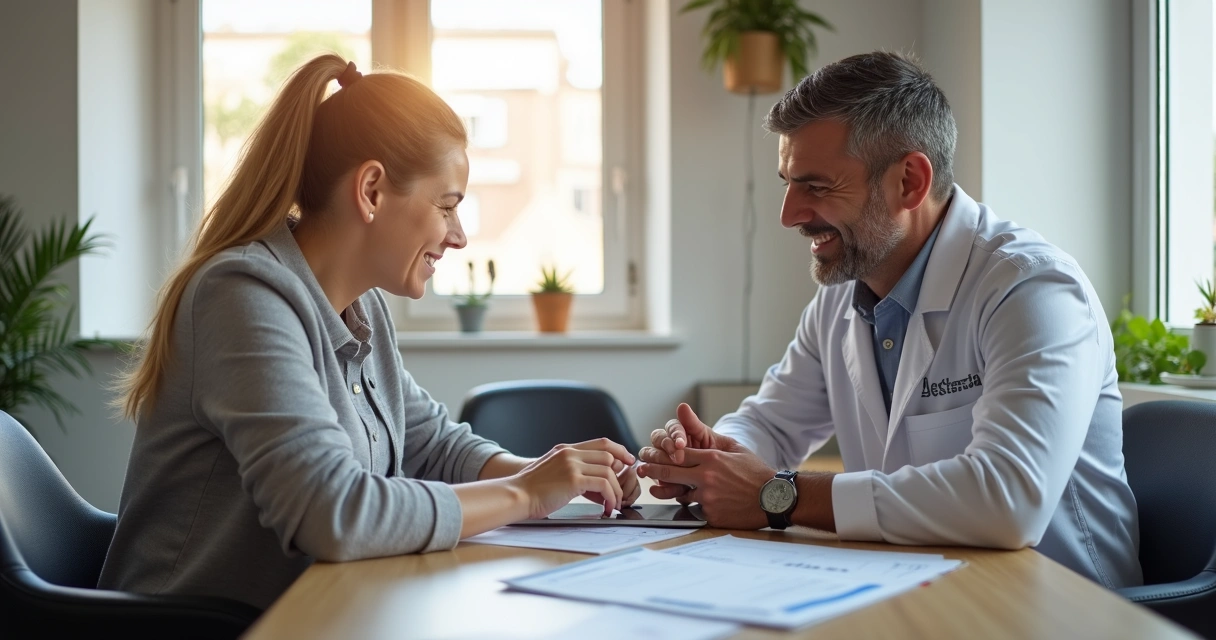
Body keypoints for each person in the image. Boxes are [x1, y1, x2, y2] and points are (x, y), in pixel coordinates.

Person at [100, 55, 639, 610]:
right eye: (447, 206)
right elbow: (331, 513)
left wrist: (550, 474)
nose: (459, 237)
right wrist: (524, 494)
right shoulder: (242, 297)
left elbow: (428, 443)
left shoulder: (361, 306)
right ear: (372, 190)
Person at [637, 51, 1141, 589]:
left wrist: (774, 495)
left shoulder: (1031, 290)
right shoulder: (843, 296)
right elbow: (771, 424)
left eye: (818, 186)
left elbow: (1008, 498)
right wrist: (710, 458)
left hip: (1057, 604)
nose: (789, 215)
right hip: (918, 587)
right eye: (787, 182)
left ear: (909, 181)